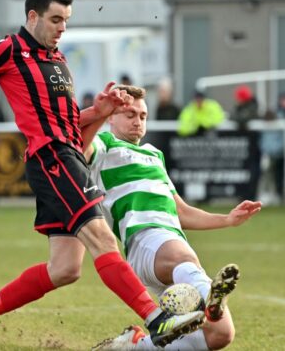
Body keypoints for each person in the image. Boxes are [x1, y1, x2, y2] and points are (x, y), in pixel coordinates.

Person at [0, 0, 204, 350]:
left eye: (65, 20)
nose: (61, 27)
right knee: (102, 238)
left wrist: (100, 112)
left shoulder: (59, 61)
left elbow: (68, 124)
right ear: (32, 16)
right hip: (54, 158)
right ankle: (156, 319)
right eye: (55, 19)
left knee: (66, 268)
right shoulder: (9, 49)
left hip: (65, 156)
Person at [84, 86, 262, 350]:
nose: (137, 121)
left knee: (220, 335)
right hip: (144, 239)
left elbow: (181, 211)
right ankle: (210, 296)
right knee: (184, 259)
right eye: (130, 114)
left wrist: (227, 219)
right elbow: (77, 145)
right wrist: (97, 112)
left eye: (143, 116)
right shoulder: (105, 145)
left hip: (170, 247)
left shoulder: (155, 155)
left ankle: (135, 345)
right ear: (112, 116)